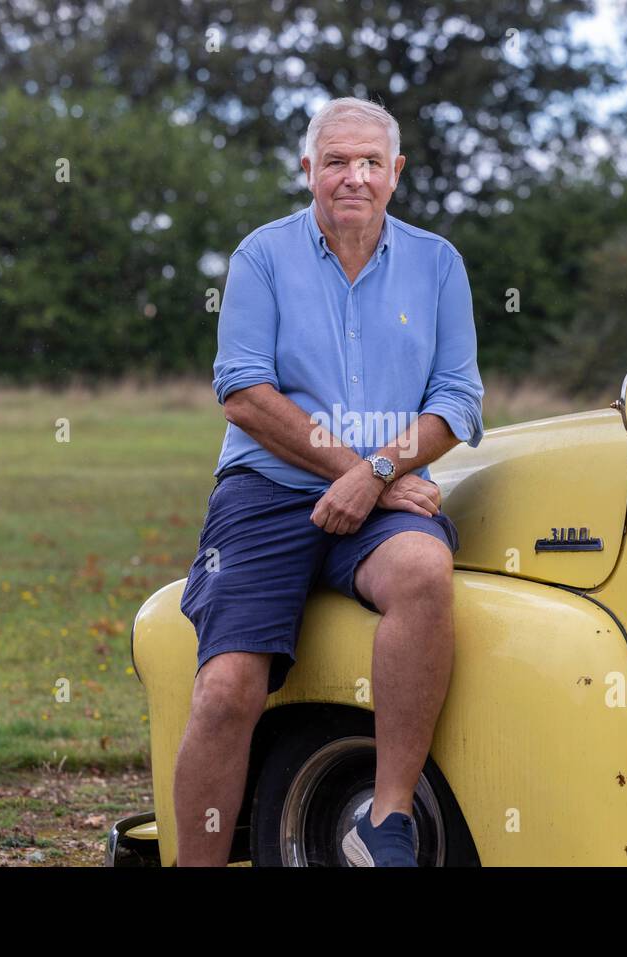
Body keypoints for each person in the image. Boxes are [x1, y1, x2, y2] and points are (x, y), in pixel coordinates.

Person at [172, 96, 484, 866]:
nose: (355, 176)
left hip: (383, 489)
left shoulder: (438, 263)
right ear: (307, 168)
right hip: (266, 490)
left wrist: (378, 473)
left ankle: (386, 819)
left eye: (371, 162)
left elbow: (458, 399)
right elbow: (243, 390)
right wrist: (361, 471)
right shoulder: (261, 257)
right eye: (337, 161)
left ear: (396, 173)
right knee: (226, 691)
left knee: (422, 568)